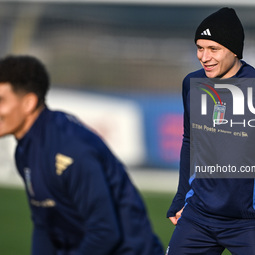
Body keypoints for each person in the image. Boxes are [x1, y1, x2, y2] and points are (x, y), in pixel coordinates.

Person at [166, 7, 255, 255]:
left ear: (234, 50)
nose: (204, 56)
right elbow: (190, 142)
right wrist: (181, 197)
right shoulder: (192, 84)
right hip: (197, 218)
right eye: (200, 48)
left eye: (213, 49)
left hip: (250, 223)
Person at [0, 55, 163, 255]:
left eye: (1, 100)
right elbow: (44, 225)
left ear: (28, 103)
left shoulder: (70, 150)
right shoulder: (25, 149)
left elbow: (105, 233)